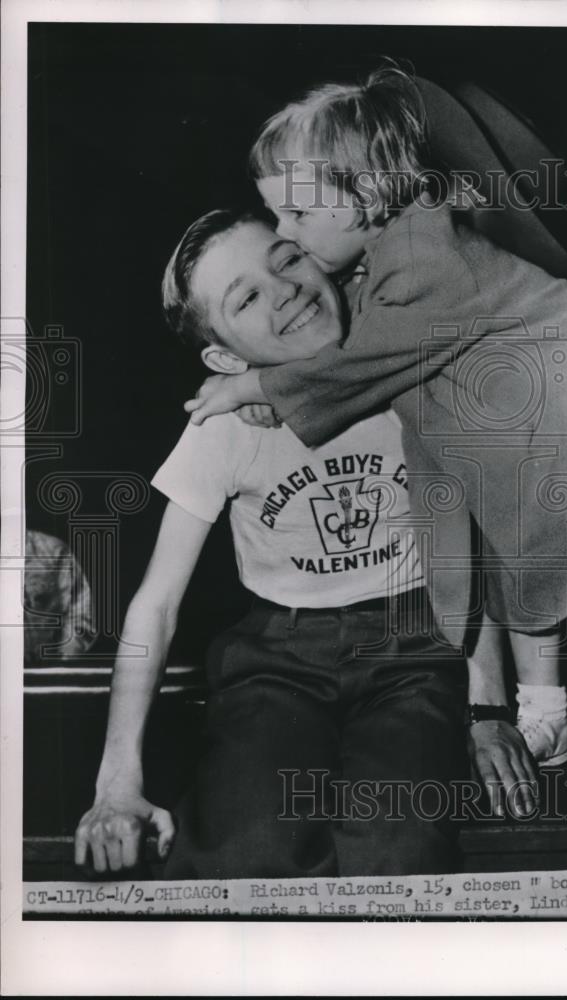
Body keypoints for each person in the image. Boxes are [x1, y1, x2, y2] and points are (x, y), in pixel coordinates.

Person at [185, 67, 567, 808]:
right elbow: (344, 333)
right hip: (548, 400)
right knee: (519, 557)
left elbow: (359, 361)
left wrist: (248, 386)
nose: (287, 234)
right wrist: (267, 393)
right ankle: (543, 717)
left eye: (297, 216)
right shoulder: (393, 246)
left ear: (363, 195)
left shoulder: (423, 260)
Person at [74, 210, 536, 880]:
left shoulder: (418, 371)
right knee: (245, 849)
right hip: (276, 659)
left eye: (286, 259)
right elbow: (156, 605)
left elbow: (469, 551)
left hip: (411, 649)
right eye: (247, 298)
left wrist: (487, 709)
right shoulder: (225, 423)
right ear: (225, 359)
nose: (282, 288)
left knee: (399, 852)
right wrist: (115, 785)